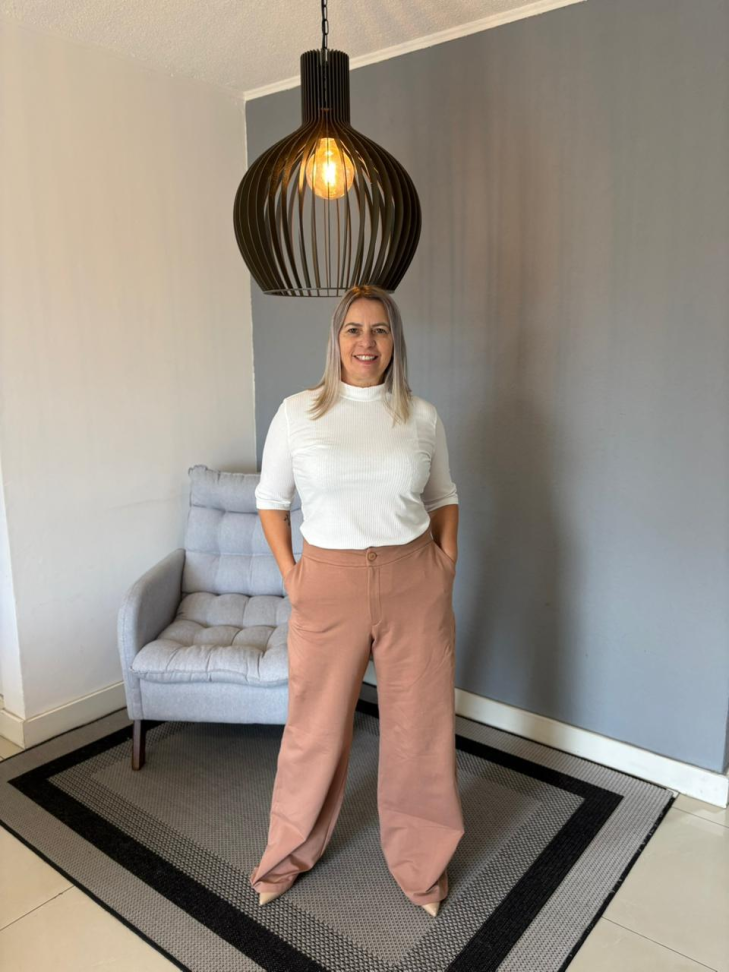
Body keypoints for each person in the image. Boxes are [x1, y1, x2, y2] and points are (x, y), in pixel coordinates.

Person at [249, 284, 465, 917]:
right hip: (328, 585)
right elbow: (271, 501)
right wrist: (293, 574)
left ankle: (422, 868)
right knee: (313, 730)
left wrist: (445, 565)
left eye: (379, 330)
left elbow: (444, 496)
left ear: (395, 341)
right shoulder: (298, 413)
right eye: (353, 329)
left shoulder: (421, 417)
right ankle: (287, 855)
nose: (366, 342)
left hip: (413, 583)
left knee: (420, 731)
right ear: (336, 339)